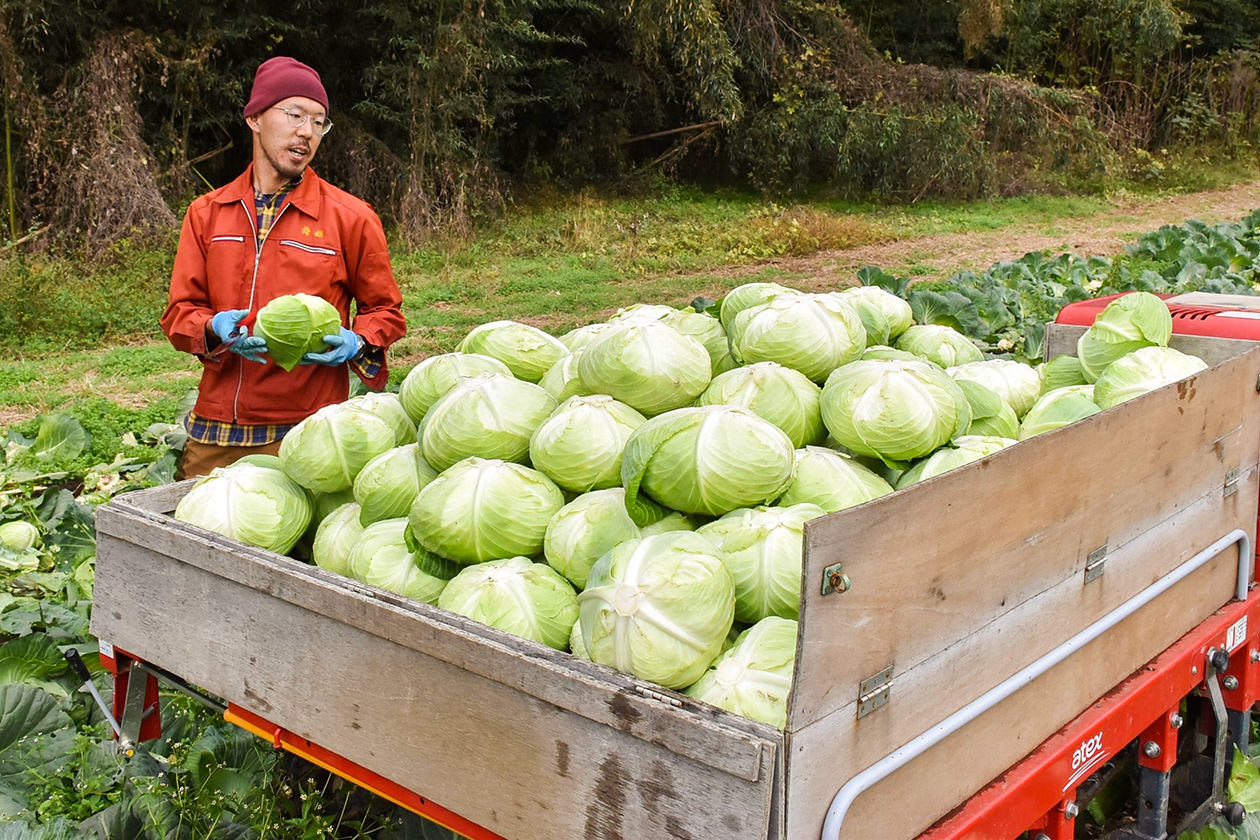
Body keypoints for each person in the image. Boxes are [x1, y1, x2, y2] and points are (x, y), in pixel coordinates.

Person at [161, 56, 407, 479]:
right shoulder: (207, 213)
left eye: (319, 121)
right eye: (295, 115)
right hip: (220, 427)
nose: (307, 132)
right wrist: (212, 328)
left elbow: (385, 312)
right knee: (196, 534)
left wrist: (358, 340)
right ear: (255, 118)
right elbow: (180, 313)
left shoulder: (350, 217)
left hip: (310, 428)